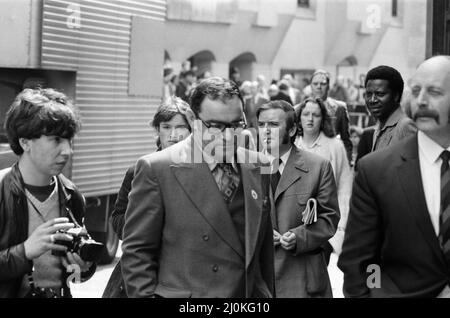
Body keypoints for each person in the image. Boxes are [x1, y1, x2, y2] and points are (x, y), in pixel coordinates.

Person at [121, 77, 274, 298]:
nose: (228, 136)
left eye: (235, 125)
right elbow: (137, 253)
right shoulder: (158, 168)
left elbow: (264, 255)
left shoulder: (259, 166)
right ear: (194, 121)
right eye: (216, 126)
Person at [338, 55, 450, 297]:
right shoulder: (375, 169)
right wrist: (377, 291)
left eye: (435, 91)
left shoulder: (402, 127)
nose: (421, 101)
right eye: (417, 90)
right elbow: (363, 259)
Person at [0, 88, 96, 298]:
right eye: (55, 140)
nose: (67, 151)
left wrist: (82, 267)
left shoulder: (71, 194)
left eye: (69, 140)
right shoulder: (2, 190)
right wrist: (24, 251)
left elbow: (73, 278)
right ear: (25, 142)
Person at [102, 96, 193, 298]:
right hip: (140, 269)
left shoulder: (202, 173)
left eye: (181, 127)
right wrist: (144, 224)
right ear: (157, 130)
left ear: (191, 131)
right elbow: (117, 219)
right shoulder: (138, 171)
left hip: (184, 274)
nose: (174, 134)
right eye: (166, 127)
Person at [257, 100, 339, 298]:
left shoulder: (318, 167)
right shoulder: (247, 167)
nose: (265, 131)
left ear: (292, 130)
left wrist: (299, 237)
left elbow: (329, 218)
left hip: (302, 280)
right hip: (260, 280)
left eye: (274, 125)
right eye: (261, 125)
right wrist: (262, 233)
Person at [295, 98, 353, 256]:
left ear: (323, 118)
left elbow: (344, 188)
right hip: (292, 226)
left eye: (316, 115)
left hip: (323, 226)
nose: (310, 119)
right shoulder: (292, 145)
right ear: (299, 117)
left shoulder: (335, 147)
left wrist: (340, 227)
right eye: (306, 114)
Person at [364, 65, 417, 152]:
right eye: (369, 94)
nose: (372, 100)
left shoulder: (405, 126)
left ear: (396, 96)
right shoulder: (380, 127)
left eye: (380, 94)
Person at [310, 70, 352, 162]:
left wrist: (348, 163)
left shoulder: (339, 108)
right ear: (311, 86)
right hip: (308, 159)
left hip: (331, 159)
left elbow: (346, 140)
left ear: (328, 86)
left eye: (323, 84)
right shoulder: (300, 108)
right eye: (315, 83)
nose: (319, 87)